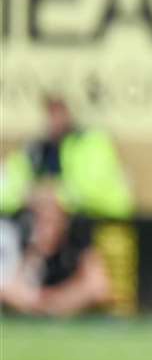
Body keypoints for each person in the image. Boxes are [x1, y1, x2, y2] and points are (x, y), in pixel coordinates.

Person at [0, 95, 133, 222]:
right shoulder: (35, 149)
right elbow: (7, 186)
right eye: (51, 112)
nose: (55, 119)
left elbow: (95, 189)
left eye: (60, 111)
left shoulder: (94, 143)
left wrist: (56, 195)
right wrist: (29, 195)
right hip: (57, 232)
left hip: (102, 224)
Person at [0, 186, 112, 318]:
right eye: (41, 219)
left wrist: (55, 301)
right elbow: (6, 287)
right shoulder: (19, 237)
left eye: (53, 219)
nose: (47, 227)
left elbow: (100, 288)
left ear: (64, 221)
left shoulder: (76, 240)